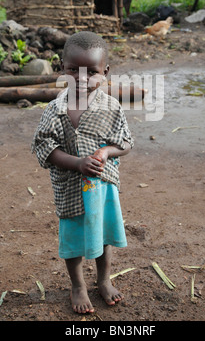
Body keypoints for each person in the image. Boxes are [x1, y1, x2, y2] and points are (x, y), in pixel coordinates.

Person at [31, 31, 133, 314]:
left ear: (106, 73)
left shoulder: (110, 107)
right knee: (73, 240)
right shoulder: (55, 110)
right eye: (74, 70)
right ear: (63, 67)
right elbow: (43, 148)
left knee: (103, 235)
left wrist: (105, 153)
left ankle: (103, 280)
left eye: (93, 72)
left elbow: (124, 142)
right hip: (70, 188)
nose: (83, 78)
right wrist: (76, 163)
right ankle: (77, 286)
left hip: (102, 189)